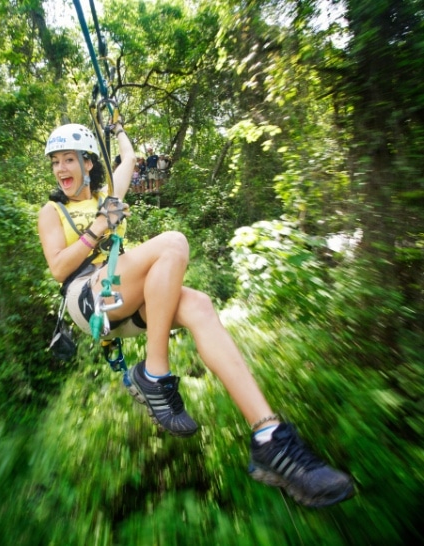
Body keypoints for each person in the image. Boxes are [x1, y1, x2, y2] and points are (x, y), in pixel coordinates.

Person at [37, 122, 354, 508]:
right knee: (173, 242)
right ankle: (155, 373)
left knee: (200, 306)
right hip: (88, 297)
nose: (60, 169)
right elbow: (57, 268)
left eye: (69, 159)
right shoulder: (52, 212)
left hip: (126, 298)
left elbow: (130, 159)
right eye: (55, 162)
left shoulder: (107, 196)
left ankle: (269, 438)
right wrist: (99, 226)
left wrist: (117, 126)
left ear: (89, 163)